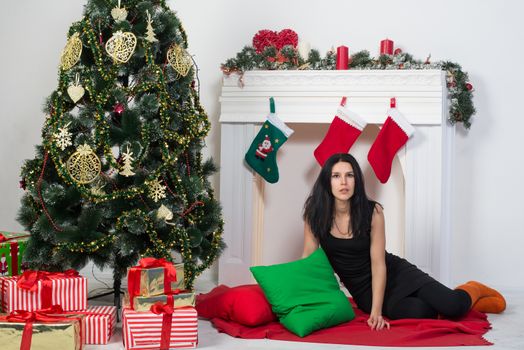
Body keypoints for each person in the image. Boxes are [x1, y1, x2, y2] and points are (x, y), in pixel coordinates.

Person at [302, 153, 506, 331]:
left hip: (394, 272)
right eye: (336, 176)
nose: (343, 182)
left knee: (452, 305)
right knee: (419, 311)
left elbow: (378, 263)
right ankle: (454, 304)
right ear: (327, 182)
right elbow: (308, 262)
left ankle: (473, 288)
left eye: (349, 175)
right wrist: (304, 301)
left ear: (357, 181)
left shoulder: (372, 212)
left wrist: (377, 311)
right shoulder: (315, 215)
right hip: (364, 291)